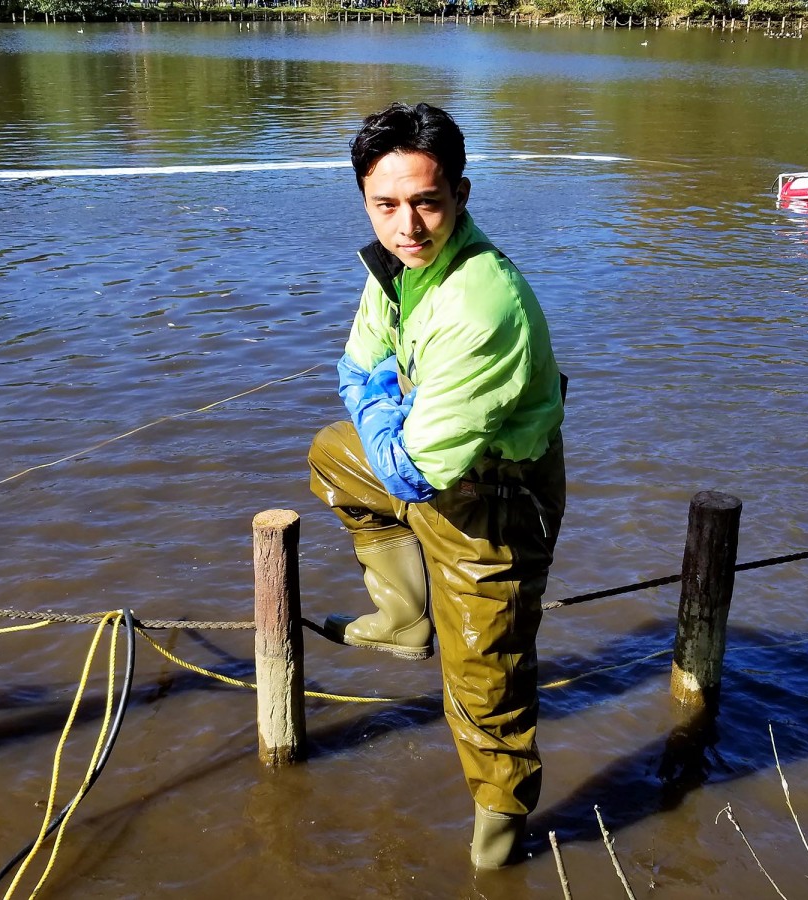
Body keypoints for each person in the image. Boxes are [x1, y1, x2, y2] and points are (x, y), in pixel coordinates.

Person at [307, 101, 565, 869]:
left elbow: (414, 471)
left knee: (486, 687)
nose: (407, 226)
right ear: (364, 200)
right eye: (385, 205)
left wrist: (383, 405)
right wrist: (382, 403)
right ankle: (405, 613)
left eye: (426, 201)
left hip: (497, 503)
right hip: (431, 459)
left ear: (461, 194)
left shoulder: (479, 303)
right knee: (334, 454)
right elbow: (354, 368)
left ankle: (498, 844)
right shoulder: (394, 270)